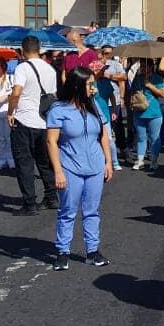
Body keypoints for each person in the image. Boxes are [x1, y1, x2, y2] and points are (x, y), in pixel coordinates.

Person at [45, 66, 113, 270]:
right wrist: (58, 170)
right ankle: (62, 252)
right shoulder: (58, 110)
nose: (93, 88)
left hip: (95, 167)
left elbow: (103, 136)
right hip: (70, 168)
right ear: (77, 85)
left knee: (92, 211)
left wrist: (108, 162)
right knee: (68, 210)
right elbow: (51, 142)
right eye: (90, 84)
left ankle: (92, 251)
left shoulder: (95, 106)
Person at [8, 36, 59, 216]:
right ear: (39, 49)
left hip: (24, 119)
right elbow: (53, 95)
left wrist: (10, 111)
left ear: (22, 51)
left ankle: (29, 203)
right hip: (44, 121)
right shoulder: (50, 69)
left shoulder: (22, 67)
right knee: (45, 162)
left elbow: (16, 92)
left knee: (24, 163)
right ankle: (51, 196)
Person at [130, 57, 164, 171]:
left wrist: (150, 85)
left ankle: (154, 160)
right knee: (141, 137)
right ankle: (140, 160)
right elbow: (132, 92)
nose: (143, 68)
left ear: (151, 67)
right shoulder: (137, 78)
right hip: (139, 113)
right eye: (142, 66)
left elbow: (162, 94)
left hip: (154, 113)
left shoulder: (158, 78)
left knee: (154, 137)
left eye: (145, 66)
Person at [90, 62, 121, 171]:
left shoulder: (106, 81)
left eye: (104, 70)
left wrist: (113, 110)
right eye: (102, 70)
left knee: (109, 139)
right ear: (95, 71)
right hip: (92, 116)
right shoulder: (89, 83)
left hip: (105, 115)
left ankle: (114, 161)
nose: (104, 72)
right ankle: (99, 162)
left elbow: (112, 96)